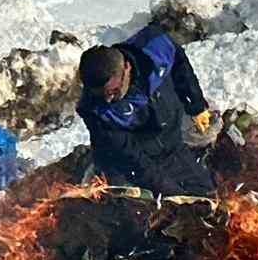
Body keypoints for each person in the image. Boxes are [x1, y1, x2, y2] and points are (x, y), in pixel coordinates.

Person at [75, 24, 215, 196]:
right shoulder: (96, 111)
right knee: (141, 212)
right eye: (100, 94)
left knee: (206, 196)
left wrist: (196, 105)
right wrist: (170, 191)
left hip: (171, 145)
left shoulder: (155, 48)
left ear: (126, 68)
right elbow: (134, 159)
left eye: (113, 91)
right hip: (127, 163)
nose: (107, 99)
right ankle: (94, 171)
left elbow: (179, 61)